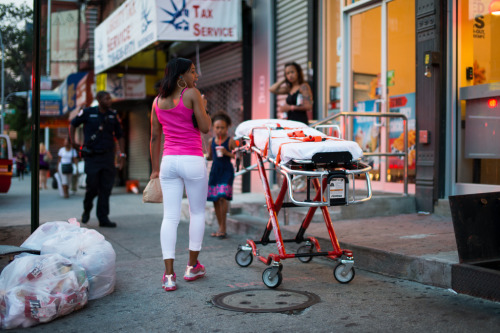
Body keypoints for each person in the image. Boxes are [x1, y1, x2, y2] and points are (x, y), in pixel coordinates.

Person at [150, 57, 211, 292]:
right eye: (192, 72)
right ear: (180, 76)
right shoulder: (192, 94)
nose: (195, 77)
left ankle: (168, 276)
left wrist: (155, 169)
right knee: (196, 213)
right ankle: (192, 267)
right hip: (192, 159)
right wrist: (202, 105)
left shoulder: (157, 102)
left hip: (168, 163)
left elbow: (155, 137)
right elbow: (205, 128)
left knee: (170, 217)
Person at [69, 91, 126, 228]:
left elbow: (120, 135)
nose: (109, 100)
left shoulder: (112, 115)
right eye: (106, 98)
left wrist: (122, 155)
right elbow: (73, 123)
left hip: (107, 156)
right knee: (92, 187)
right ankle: (87, 209)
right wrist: (73, 142)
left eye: (110, 98)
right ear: (99, 99)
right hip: (92, 157)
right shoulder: (88, 112)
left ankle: (103, 218)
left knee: (106, 188)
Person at [206, 111, 236, 239]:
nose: (219, 130)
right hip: (215, 172)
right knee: (216, 200)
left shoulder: (230, 141)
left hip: (227, 171)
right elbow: (210, 157)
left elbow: (237, 156)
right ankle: (220, 227)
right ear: (213, 128)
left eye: (222, 127)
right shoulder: (211, 141)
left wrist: (226, 152)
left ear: (227, 128)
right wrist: (205, 156)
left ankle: (223, 228)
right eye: (217, 127)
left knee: (223, 197)